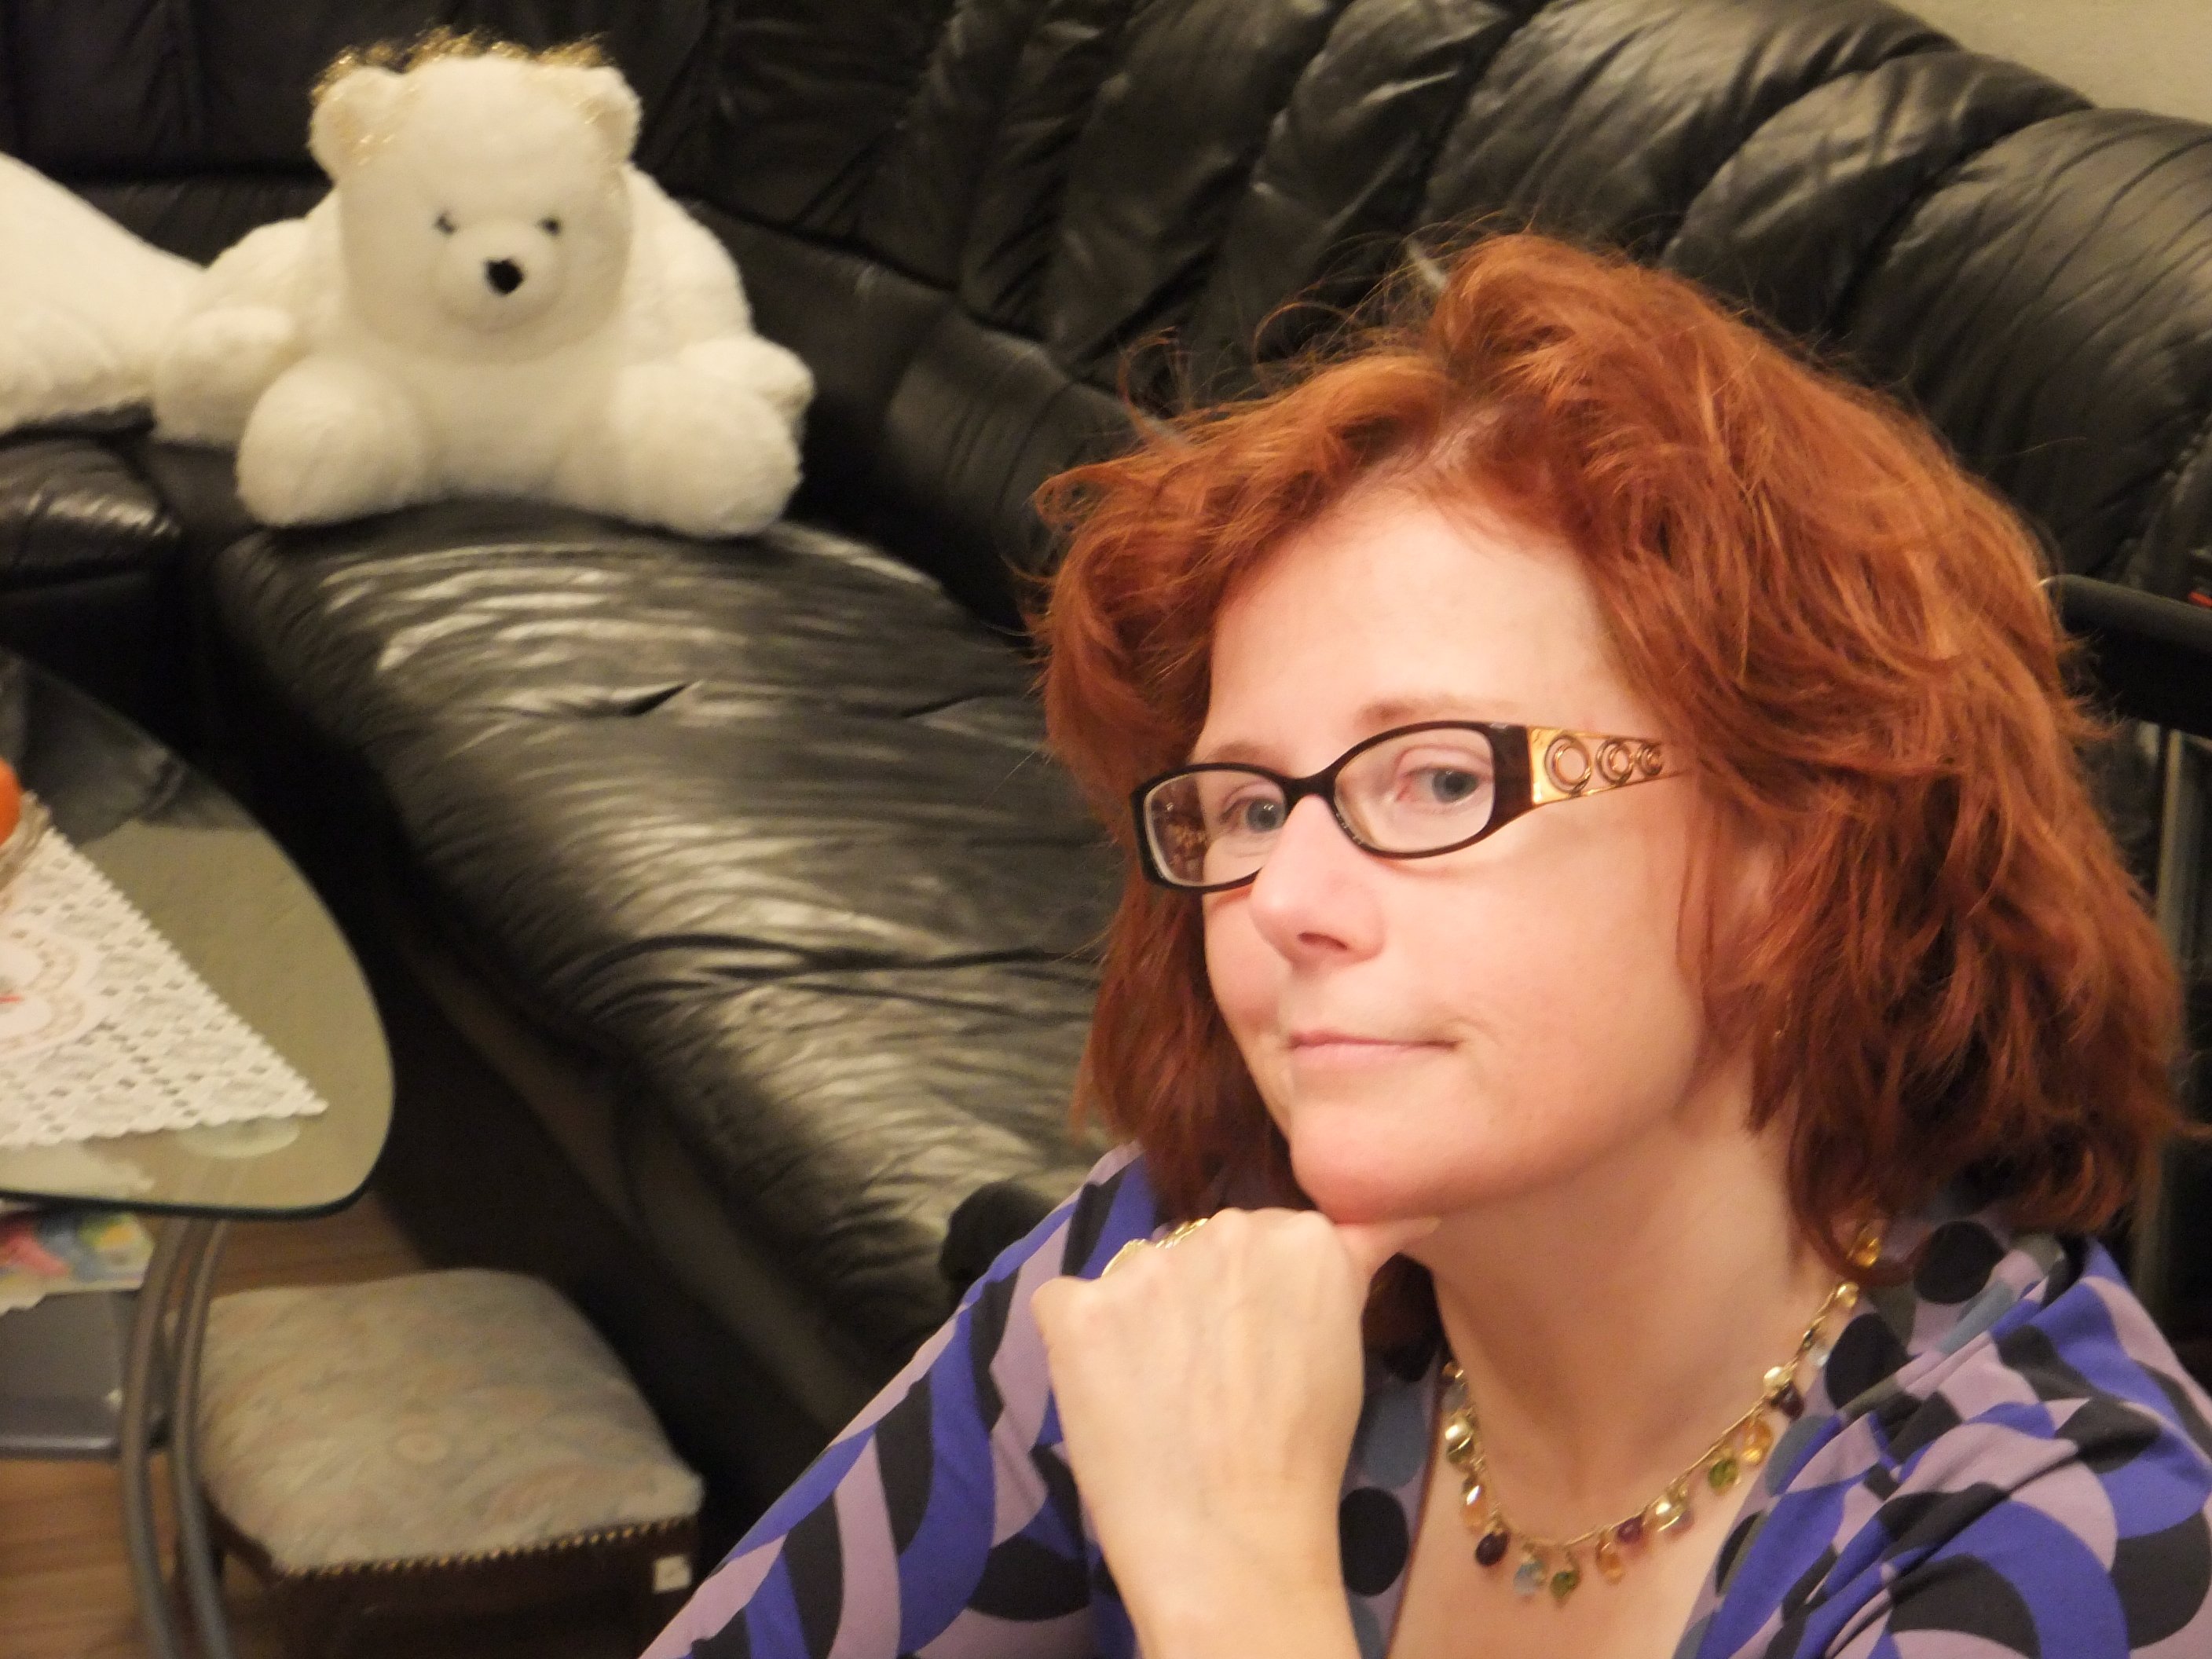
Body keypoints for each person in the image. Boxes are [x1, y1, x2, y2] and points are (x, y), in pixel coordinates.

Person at [643, 234, 2212, 1659]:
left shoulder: (2081, 1552)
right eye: (1246, 805)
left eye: (1441, 780)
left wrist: (1233, 1588)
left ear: (1795, 841)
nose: (1280, 897)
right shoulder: (1189, 1278)